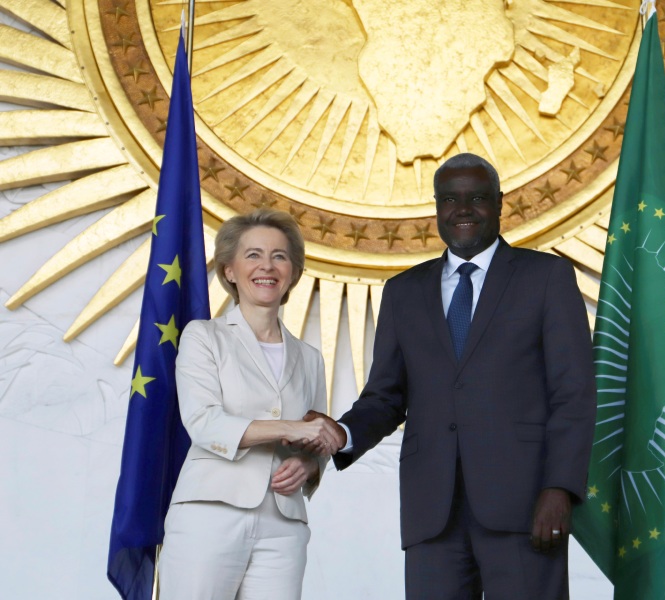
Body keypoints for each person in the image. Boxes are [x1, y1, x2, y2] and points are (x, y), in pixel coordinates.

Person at [312, 153, 597, 598]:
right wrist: (342, 432)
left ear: (500, 204)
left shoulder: (546, 277)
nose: (463, 209)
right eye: (450, 199)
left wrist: (560, 488)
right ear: (437, 207)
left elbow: (574, 394)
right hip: (433, 513)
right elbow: (386, 397)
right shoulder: (404, 292)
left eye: (478, 198)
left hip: (525, 505)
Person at [157, 208, 341, 599]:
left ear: (292, 271)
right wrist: (289, 428)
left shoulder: (310, 358)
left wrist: (310, 465)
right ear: (229, 270)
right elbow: (204, 422)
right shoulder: (203, 336)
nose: (267, 266)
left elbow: (317, 439)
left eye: (280, 256)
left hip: (284, 522)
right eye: (253, 254)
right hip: (210, 511)